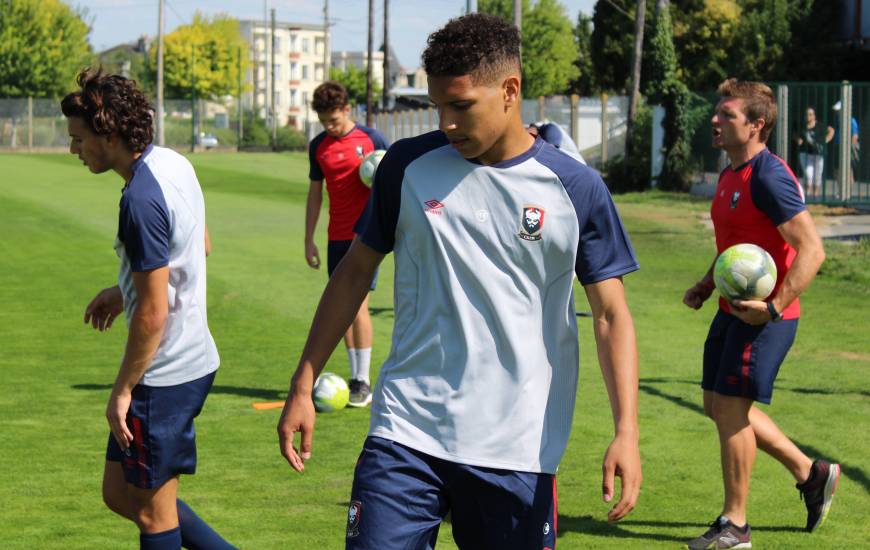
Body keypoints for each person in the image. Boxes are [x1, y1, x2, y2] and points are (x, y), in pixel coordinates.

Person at [279, 13, 641, 549]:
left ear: (510, 91)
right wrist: (303, 382)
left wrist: (626, 431)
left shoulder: (574, 188)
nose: (446, 122)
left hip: (517, 446)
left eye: (462, 105)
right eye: (438, 106)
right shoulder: (406, 166)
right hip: (406, 431)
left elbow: (611, 315)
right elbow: (355, 272)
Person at [62, 69, 235, 550]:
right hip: (187, 363)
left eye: (79, 139)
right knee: (120, 493)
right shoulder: (173, 163)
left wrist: (122, 389)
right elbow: (198, 245)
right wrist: (126, 289)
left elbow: (154, 315)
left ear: (108, 133)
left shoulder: (139, 199)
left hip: (165, 377)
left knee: (153, 514)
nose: (74, 150)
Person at [683, 79, 838, 550]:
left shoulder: (769, 176)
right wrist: (707, 284)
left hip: (767, 318)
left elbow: (812, 251)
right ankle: (811, 473)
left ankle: (736, 526)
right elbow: (738, 248)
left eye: (727, 114)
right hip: (732, 310)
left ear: (756, 124)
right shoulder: (731, 172)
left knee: (731, 411)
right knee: (717, 406)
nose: (715, 119)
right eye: (718, 111)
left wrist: (771, 308)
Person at [306, 81, 389, 407]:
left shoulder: (372, 139)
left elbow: (391, 178)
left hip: (365, 236)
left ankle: (363, 380)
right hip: (334, 236)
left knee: (358, 306)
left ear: (346, 110)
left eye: (334, 120)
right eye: (324, 121)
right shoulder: (318, 146)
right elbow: (315, 193)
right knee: (342, 306)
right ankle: (357, 377)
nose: (329, 127)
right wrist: (308, 238)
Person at [794, 107, 833, 197]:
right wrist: (797, 139)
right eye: (807, 114)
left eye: (810, 114)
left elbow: (831, 130)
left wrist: (826, 140)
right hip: (805, 154)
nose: (808, 116)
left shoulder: (820, 125)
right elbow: (795, 134)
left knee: (818, 176)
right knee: (808, 175)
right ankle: (807, 195)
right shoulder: (802, 125)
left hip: (818, 154)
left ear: (814, 116)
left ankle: (815, 195)